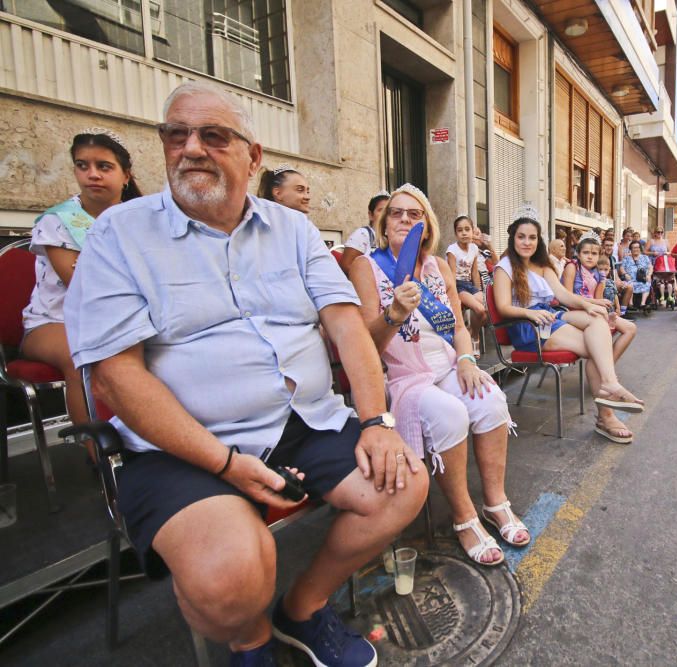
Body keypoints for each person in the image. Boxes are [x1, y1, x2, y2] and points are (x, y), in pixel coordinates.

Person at [64, 82, 428, 665]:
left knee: (404, 483)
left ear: (252, 156)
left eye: (213, 136)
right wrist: (225, 464)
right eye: (176, 135)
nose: (191, 149)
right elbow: (115, 376)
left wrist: (378, 421)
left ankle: (302, 609)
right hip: (183, 445)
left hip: (302, 421)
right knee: (233, 577)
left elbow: (346, 327)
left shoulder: (294, 229)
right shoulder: (119, 233)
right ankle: (250, 641)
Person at [349, 185, 528, 566]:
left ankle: (496, 503)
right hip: (402, 377)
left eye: (414, 215)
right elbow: (364, 343)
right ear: (383, 222)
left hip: (447, 365)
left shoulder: (438, 267)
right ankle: (464, 518)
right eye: (396, 213)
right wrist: (394, 314)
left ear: (426, 227)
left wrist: (466, 359)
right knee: (451, 414)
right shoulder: (367, 266)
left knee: (491, 400)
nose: (404, 220)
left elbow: (459, 328)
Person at [22, 128, 143, 437]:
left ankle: (154, 440)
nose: (92, 175)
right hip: (55, 322)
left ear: (125, 175)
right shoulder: (59, 221)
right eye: (82, 165)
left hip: (120, 316)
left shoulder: (140, 219)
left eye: (104, 166)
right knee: (82, 354)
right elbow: (83, 287)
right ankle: (100, 459)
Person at [492, 207, 646, 438]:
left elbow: (563, 295)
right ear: (512, 237)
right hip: (527, 325)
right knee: (597, 349)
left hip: (549, 315)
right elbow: (503, 307)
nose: (527, 242)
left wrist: (588, 304)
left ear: (539, 239)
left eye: (532, 237)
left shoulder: (543, 265)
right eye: (521, 237)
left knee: (597, 318)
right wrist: (529, 314)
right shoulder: (505, 267)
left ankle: (609, 385)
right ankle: (606, 415)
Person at [563, 236, 638, 443]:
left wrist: (608, 311)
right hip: (575, 311)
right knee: (597, 349)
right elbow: (567, 297)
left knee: (630, 328)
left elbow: (600, 296)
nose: (590, 256)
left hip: (593, 311)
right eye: (585, 252)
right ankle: (605, 381)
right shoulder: (572, 267)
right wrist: (596, 304)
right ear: (578, 253)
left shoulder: (598, 273)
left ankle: (607, 373)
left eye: (594, 253)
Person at [447, 215, 487, 354]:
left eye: (467, 229)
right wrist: (452, 295)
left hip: (470, 285)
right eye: (460, 230)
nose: (464, 233)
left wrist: (479, 291)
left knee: (486, 308)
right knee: (480, 310)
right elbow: (451, 274)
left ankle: (472, 333)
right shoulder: (452, 250)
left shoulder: (474, 248)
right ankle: (474, 337)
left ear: (472, 231)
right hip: (458, 286)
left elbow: (475, 272)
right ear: (456, 233)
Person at [339, 190, 390, 271]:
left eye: (388, 211)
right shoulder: (362, 235)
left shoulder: (392, 238)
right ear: (371, 215)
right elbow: (346, 266)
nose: (385, 214)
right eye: (381, 210)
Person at [601, 236, 633, 318]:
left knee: (629, 287)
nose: (609, 247)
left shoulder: (612, 259)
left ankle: (622, 313)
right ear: (603, 246)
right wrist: (615, 283)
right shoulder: (601, 258)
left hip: (613, 282)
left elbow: (615, 274)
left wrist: (620, 282)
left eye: (611, 245)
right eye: (607, 245)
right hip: (603, 283)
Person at [621, 240, 654, 314]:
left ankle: (643, 303)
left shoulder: (645, 257)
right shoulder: (626, 258)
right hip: (630, 279)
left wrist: (649, 275)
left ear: (640, 248)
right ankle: (630, 304)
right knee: (630, 284)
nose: (636, 249)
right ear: (631, 249)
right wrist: (625, 274)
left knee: (647, 283)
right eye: (633, 247)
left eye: (637, 247)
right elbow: (621, 268)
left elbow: (650, 267)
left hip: (642, 279)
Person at [646, 226, 671, 307]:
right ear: (655, 233)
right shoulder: (651, 241)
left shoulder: (666, 241)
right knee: (654, 281)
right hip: (654, 262)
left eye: (661, 232)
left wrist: (667, 253)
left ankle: (664, 296)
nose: (659, 234)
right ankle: (653, 298)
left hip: (663, 263)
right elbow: (644, 251)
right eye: (658, 232)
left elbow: (669, 252)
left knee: (664, 280)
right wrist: (653, 253)